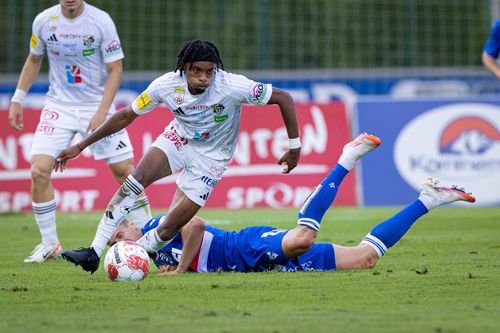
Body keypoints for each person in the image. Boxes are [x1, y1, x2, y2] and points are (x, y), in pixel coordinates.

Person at [55, 39, 301, 273]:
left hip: (212, 159)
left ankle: (133, 256)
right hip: (179, 140)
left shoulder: (232, 86)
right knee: (135, 178)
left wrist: (294, 147)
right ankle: (94, 252)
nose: (203, 77)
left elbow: (283, 98)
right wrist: (81, 145)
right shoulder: (166, 85)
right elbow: (126, 115)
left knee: (171, 225)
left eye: (209, 71)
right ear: (183, 67)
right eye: (196, 70)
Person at [108, 133, 476, 274]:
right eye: (115, 245)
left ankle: (346, 158)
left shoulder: (155, 229)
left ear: (127, 222)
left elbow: (196, 225)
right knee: (366, 258)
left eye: (117, 235)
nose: (120, 242)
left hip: (243, 250)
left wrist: (182, 271)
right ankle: (428, 199)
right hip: (256, 269)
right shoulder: (151, 256)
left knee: (302, 238)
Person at [8, 0, 152, 263]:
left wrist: (102, 111)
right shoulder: (43, 21)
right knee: (38, 169)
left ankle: (150, 239)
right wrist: (18, 98)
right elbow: (33, 60)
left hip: (97, 105)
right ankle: (49, 243)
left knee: (127, 172)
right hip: (59, 106)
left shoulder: (100, 22)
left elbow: (115, 69)